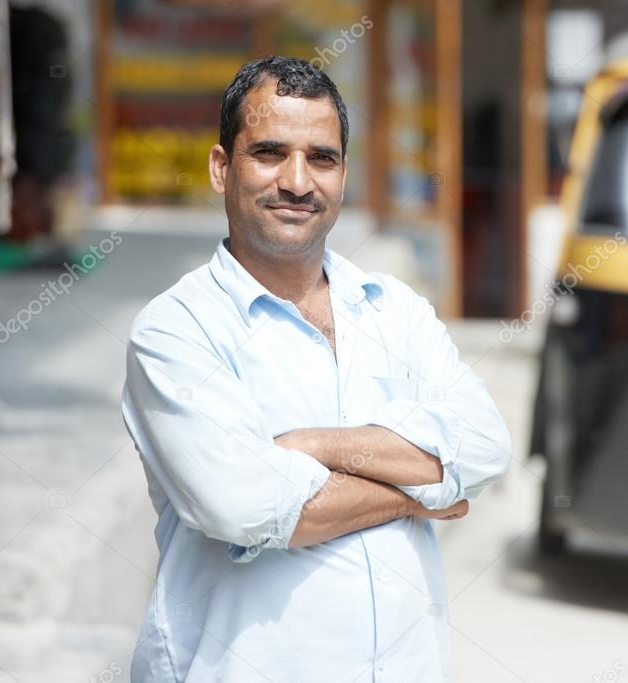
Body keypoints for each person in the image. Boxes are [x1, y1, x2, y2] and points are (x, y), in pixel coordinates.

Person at [121, 56, 511, 682]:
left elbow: (488, 447)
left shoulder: (395, 311)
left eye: (322, 158)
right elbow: (248, 507)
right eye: (270, 153)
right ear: (222, 168)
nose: (298, 181)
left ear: (343, 175)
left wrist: (314, 446)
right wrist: (419, 495)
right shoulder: (177, 330)